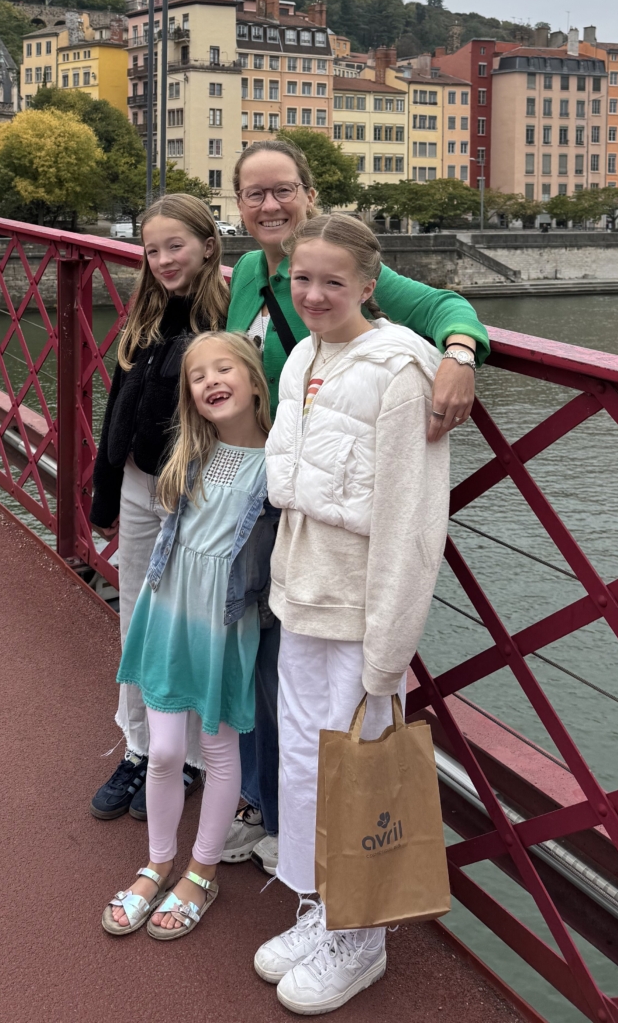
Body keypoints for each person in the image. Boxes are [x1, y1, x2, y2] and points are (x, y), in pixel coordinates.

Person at [220, 140, 487, 874]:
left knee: (315, 690)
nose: (269, 205)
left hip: (332, 510)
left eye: (283, 189)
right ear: (237, 205)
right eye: (254, 193)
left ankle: (316, 851)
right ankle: (269, 806)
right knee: (261, 663)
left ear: (309, 192)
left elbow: (443, 307)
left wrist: (459, 354)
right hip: (268, 490)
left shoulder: (341, 266)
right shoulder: (249, 273)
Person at [254, 214, 452, 1012]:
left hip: (361, 603)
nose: (313, 294)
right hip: (302, 590)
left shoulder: (401, 371)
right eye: (303, 279)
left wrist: (389, 647)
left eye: (332, 282)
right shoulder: (306, 353)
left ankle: (362, 936)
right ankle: (319, 904)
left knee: (359, 766)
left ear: (370, 286)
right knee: (306, 758)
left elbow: (412, 521)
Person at [102, 332, 275, 939]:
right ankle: (157, 864)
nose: (210, 382)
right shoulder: (191, 452)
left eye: (224, 369)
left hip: (223, 624)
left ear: (255, 380)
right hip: (169, 610)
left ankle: (201, 871)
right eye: (197, 377)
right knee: (165, 750)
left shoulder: (279, 463)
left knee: (220, 750)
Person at [88, 195, 229, 823]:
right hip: (138, 483)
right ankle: (139, 745)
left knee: (190, 623)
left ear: (208, 245)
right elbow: (118, 404)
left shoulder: (227, 316)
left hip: (192, 493)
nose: (165, 260)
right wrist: (104, 490)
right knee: (137, 619)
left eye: (177, 246)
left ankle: (189, 756)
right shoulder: (144, 314)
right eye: (152, 250)